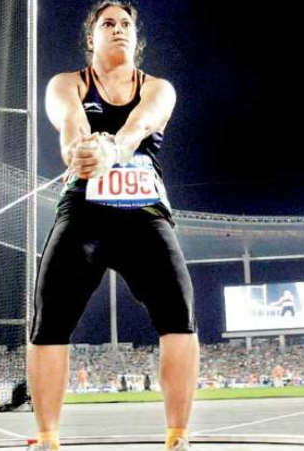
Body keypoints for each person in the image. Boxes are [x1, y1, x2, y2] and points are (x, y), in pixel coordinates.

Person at [27, 2, 199, 450]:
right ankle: (47, 437)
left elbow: (141, 124)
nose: (119, 29)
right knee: (50, 316)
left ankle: (177, 436)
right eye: (109, 23)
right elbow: (70, 123)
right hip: (84, 211)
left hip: (145, 213)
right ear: (92, 38)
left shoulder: (157, 87)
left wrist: (114, 150)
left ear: (136, 37)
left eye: (126, 24)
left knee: (179, 314)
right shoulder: (68, 83)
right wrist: (79, 152)